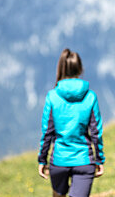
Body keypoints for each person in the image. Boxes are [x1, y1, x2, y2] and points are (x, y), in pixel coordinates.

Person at [38, 48, 105, 197]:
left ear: (60, 68)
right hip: (84, 160)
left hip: (59, 160)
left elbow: (47, 132)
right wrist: (99, 159)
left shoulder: (52, 96)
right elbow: (96, 132)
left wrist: (42, 160)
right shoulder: (90, 96)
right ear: (80, 69)